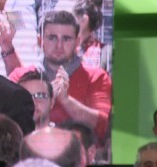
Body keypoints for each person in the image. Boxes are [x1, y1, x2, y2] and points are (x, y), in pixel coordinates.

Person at [37, 9, 112, 144]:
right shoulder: (23, 75)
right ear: (40, 40)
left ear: (77, 42)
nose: (59, 45)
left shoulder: (96, 77)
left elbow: (102, 126)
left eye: (66, 39)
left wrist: (65, 100)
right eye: (52, 38)